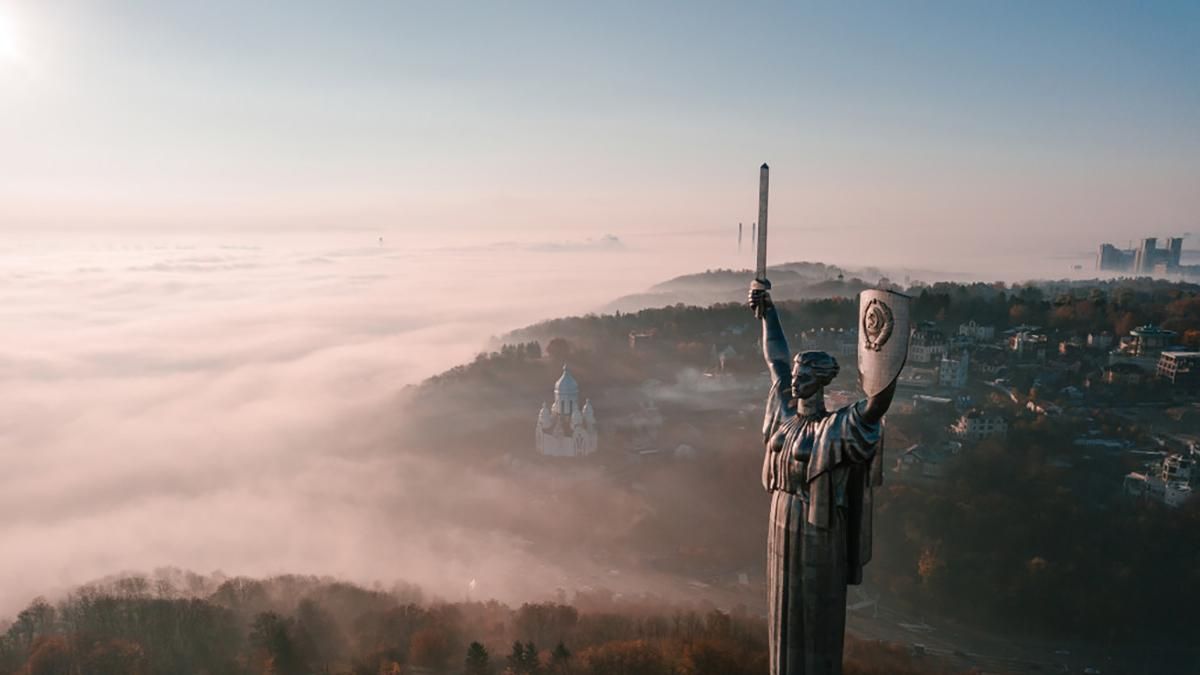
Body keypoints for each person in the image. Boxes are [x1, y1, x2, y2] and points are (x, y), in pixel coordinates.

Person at [749, 282, 897, 675]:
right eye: (796, 375)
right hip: (780, 517)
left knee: (815, 613)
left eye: (802, 376)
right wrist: (768, 311)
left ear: (819, 380)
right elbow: (775, 357)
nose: (794, 381)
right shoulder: (785, 411)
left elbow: (876, 405)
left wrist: (883, 347)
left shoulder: (834, 429)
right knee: (781, 608)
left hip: (818, 526)